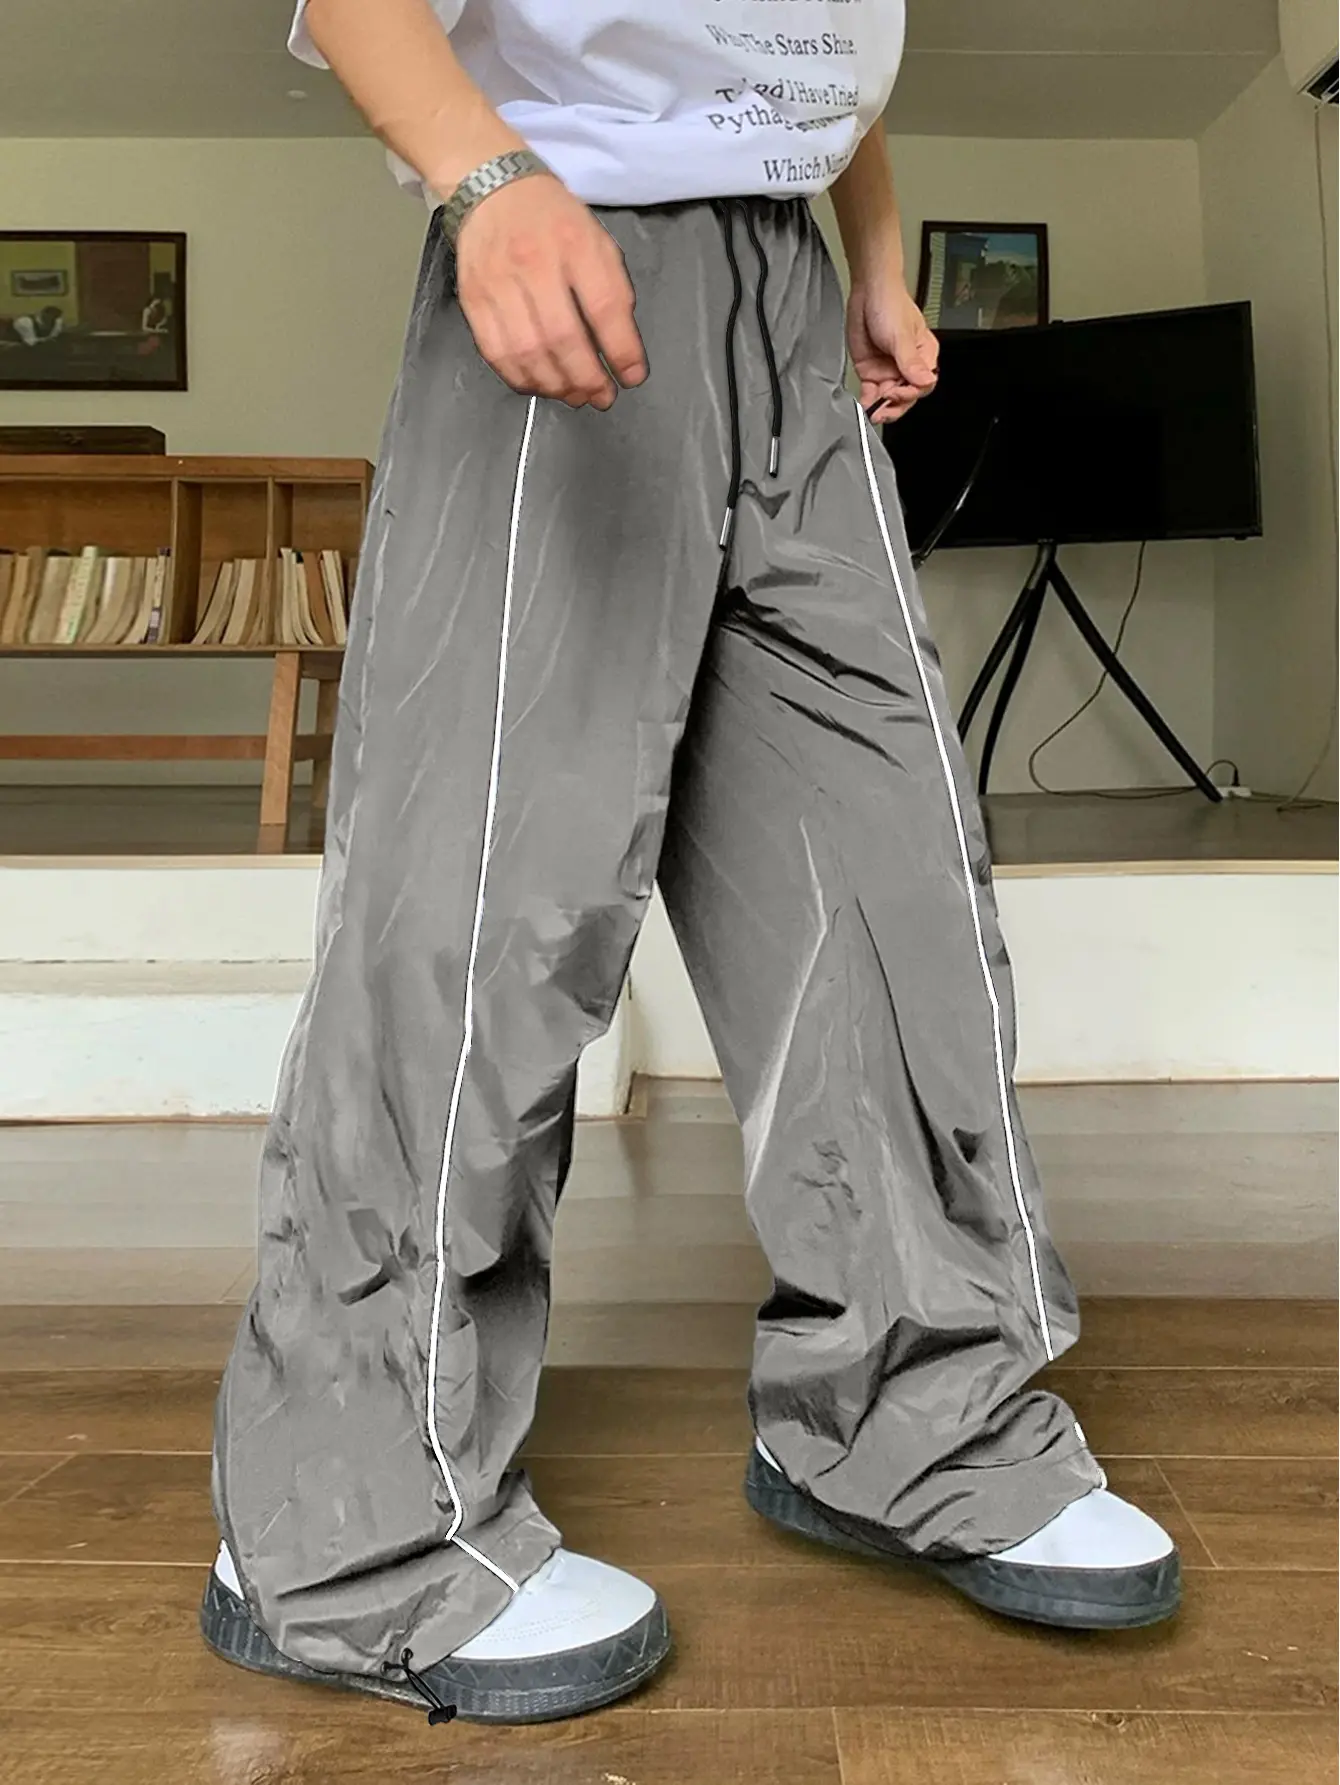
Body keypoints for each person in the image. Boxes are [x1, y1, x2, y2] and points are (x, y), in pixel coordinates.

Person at [203, 0, 1181, 1727]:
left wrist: (870, 246)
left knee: (882, 874)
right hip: (573, 235)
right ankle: (344, 1526)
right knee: (491, 901)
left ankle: (911, 1421)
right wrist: (482, 176)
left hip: (788, 286)